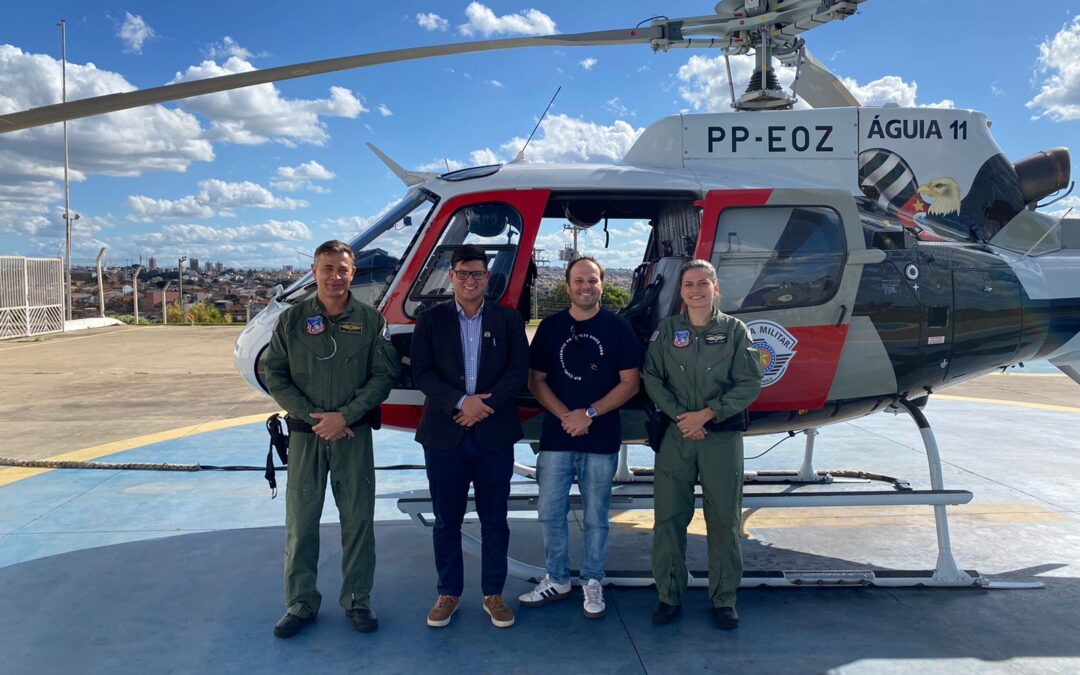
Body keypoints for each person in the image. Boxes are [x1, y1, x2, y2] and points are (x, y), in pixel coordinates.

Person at [263, 240, 402, 638]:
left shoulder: (371, 321)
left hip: (352, 436)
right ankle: (300, 602)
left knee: (358, 521)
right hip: (307, 438)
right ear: (314, 270)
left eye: (342, 269)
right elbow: (276, 374)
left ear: (352, 273)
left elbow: (383, 375)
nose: (335, 276)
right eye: (327, 268)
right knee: (301, 523)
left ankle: (358, 600)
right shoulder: (292, 321)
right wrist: (315, 418)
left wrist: (346, 416)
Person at [410, 244, 529, 629]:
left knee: (495, 519)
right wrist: (461, 403)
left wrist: (482, 406)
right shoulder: (431, 320)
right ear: (452, 276)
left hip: (493, 435)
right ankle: (448, 593)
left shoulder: (509, 320)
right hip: (445, 434)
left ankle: (493, 594)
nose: (470, 280)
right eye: (463, 273)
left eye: (477, 274)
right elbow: (423, 374)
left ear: (487, 278)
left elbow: (518, 371)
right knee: (447, 520)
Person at [518, 256, 642, 619]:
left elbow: (630, 382)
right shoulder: (552, 327)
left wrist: (588, 414)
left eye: (592, 280)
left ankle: (592, 580)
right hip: (557, 436)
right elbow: (536, 379)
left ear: (602, 284)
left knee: (597, 516)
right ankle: (557, 578)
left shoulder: (618, 328)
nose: (585, 287)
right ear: (568, 285)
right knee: (550, 511)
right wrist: (565, 416)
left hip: (600, 436)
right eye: (578, 280)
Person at [641, 259, 762, 630]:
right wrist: (682, 416)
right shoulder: (667, 331)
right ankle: (669, 594)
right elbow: (652, 377)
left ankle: (724, 598)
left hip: (720, 437)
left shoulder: (736, 331)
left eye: (703, 284)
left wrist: (707, 414)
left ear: (715, 288)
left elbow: (750, 382)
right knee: (669, 519)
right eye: (689, 284)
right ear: (681, 291)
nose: (696, 290)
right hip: (677, 436)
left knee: (724, 520)